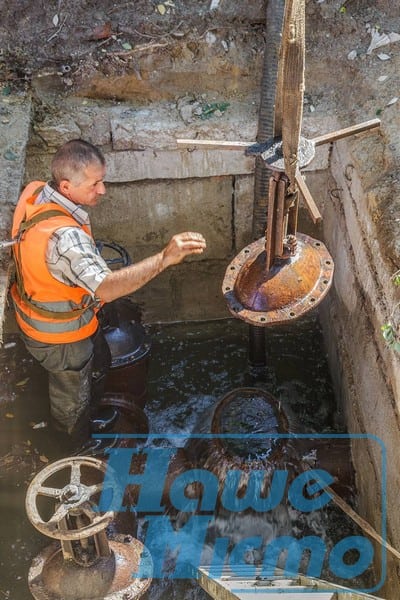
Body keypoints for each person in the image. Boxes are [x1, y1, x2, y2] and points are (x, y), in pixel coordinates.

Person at [10, 139, 206, 449]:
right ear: (66, 186)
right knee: (71, 400)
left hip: (37, 312)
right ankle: (72, 446)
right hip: (60, 338)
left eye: (102, 180)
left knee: (97, 363)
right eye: (94, 184)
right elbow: (107, 288)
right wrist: (164, 258)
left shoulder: (36, 192)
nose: (102, 190)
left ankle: (88, 416)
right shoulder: (65, 239)